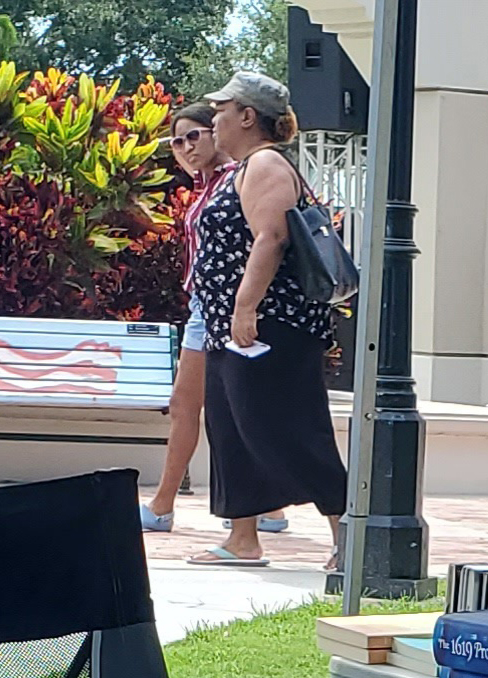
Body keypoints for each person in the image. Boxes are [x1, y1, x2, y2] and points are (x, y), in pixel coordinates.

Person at [188, 70, 348, 571]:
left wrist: (245, 306)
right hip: (231, 327)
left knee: (286, 427)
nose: (214, 119)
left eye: (221, 110)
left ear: (247, 117)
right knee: (232, 426)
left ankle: (349, 531)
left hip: (268, 325)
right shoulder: (239, 169)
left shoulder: (265, 165)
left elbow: (270, 237)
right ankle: (242, 538)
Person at [141, 105, 288, 540]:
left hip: (228, 308)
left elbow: (266, 238)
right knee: (209, 407)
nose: (185, 148)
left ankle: (167, 504)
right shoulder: (209, 185)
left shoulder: (239, 178)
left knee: (215, 408)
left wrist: (245, 304)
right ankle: (266, 509)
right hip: (208, 306)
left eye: (194, 136)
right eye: (177, 141)